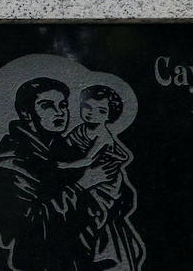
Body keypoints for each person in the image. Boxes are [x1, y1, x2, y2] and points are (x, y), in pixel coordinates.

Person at [0, 77, 119, 271]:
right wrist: (84, 184)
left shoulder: (62, 147)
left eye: (63, 105)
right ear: (27, 113)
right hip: (40, 262)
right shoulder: (10, 161)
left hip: (76, 258)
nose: (60, 112)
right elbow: (30, 225)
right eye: (47, 106)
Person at [56, 85, 145, 270]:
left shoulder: (103, 136)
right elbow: (65, 146)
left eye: (101, 110)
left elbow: (87, 160)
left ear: (108, 116)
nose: (91, 113)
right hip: (84, 178)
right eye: (87, 107)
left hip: (105, 182)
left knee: (94, 215)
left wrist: (65, 165)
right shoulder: (80, 129)